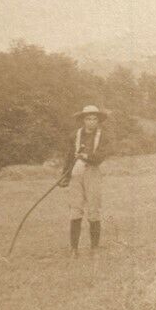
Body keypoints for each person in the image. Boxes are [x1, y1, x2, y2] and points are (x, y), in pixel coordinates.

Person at [58, 104, 109, 254]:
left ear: (98, 120)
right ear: (83, 120)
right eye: (88, 119)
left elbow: (101, 156)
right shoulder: (75, 135)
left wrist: (86, 156)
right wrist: (65, 175)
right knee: (75, 209)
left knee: (93, 209)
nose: (91, 122)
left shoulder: (103, 136)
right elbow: (69, 156)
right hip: (76, 172)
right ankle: (74, 248)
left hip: (92, 171)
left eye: (94, 119)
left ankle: (94, 248)